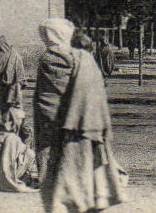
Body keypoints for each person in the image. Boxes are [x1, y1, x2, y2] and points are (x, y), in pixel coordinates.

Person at [35, 18, 126, 213]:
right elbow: (96, 94)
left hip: (55, 131)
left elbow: (47, 100)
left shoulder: (48, 59)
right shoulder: (84, 58)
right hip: (86, 125)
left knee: (58, 181)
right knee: (85, 176)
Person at [0, 111, 39, 192]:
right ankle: (28, 177)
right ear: (17, 121)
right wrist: (27, 141)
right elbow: (8, 159)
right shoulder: (12, 138)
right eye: (22, 120)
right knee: (30, 153)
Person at [0, 35, 26, 123]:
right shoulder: (15, 56)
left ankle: (9, 126)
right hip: (14, 89)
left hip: (4, 89)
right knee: (15, 112)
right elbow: (21, 75)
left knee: (7, 113)